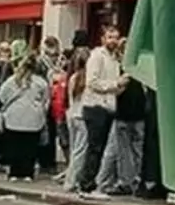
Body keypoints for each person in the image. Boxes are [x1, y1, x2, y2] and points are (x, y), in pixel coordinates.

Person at [77, 25, 124, 193]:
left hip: (108, 106)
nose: (113, 41)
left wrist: (120, 87)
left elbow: (114, 86)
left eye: (116, 37)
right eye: (110, 37)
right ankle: (86, 184)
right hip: (95, 106)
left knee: (100, 147)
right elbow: (92, 82)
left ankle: (89, 182)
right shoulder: (97, 56)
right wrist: (115, 84)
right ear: (103, 39)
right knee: (95, 147)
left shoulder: (114, 59)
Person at [97, 42, 146, 196]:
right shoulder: (142, 69)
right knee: (137, 150)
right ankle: (137, 179)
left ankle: (125, 181)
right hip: (140, 115)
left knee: (123, 151)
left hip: (124, 115)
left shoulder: (119, 69)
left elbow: (115, 90)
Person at [0, 54, 50, 181]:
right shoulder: (41, 82)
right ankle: (28, 173)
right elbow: (46, 99)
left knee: (14, 146)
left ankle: (14, 172)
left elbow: (1, 95)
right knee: (30, 147)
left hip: (13, 117)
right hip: (34, 119)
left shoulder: (12, 80)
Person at [61, 50, 91, 191]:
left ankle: (70, 178)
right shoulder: (88, 78)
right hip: (83, 117)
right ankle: (72, 181)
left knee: (74, 150)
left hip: (72, 115)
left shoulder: (73, 77)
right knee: (81, 151)